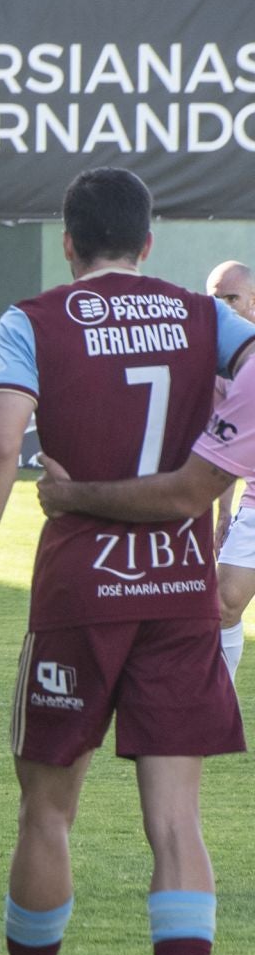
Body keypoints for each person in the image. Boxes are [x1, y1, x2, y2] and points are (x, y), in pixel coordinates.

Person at [0, 167, 255, 955]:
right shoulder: (214, 322)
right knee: (176, 822)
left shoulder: (30, 319)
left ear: (68, 242)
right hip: (182, 588)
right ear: (152, 244)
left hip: (80, 589)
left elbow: (4, 444)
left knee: (48, 811)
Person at [204, 260, 255, 678]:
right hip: (254, 504)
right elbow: (223, 449)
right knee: (223, 604)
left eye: (231, 298)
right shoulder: (222, 366)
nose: (223, 308)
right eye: (215, 300)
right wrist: (222, 513)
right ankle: (219, 709)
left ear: (253, 300)